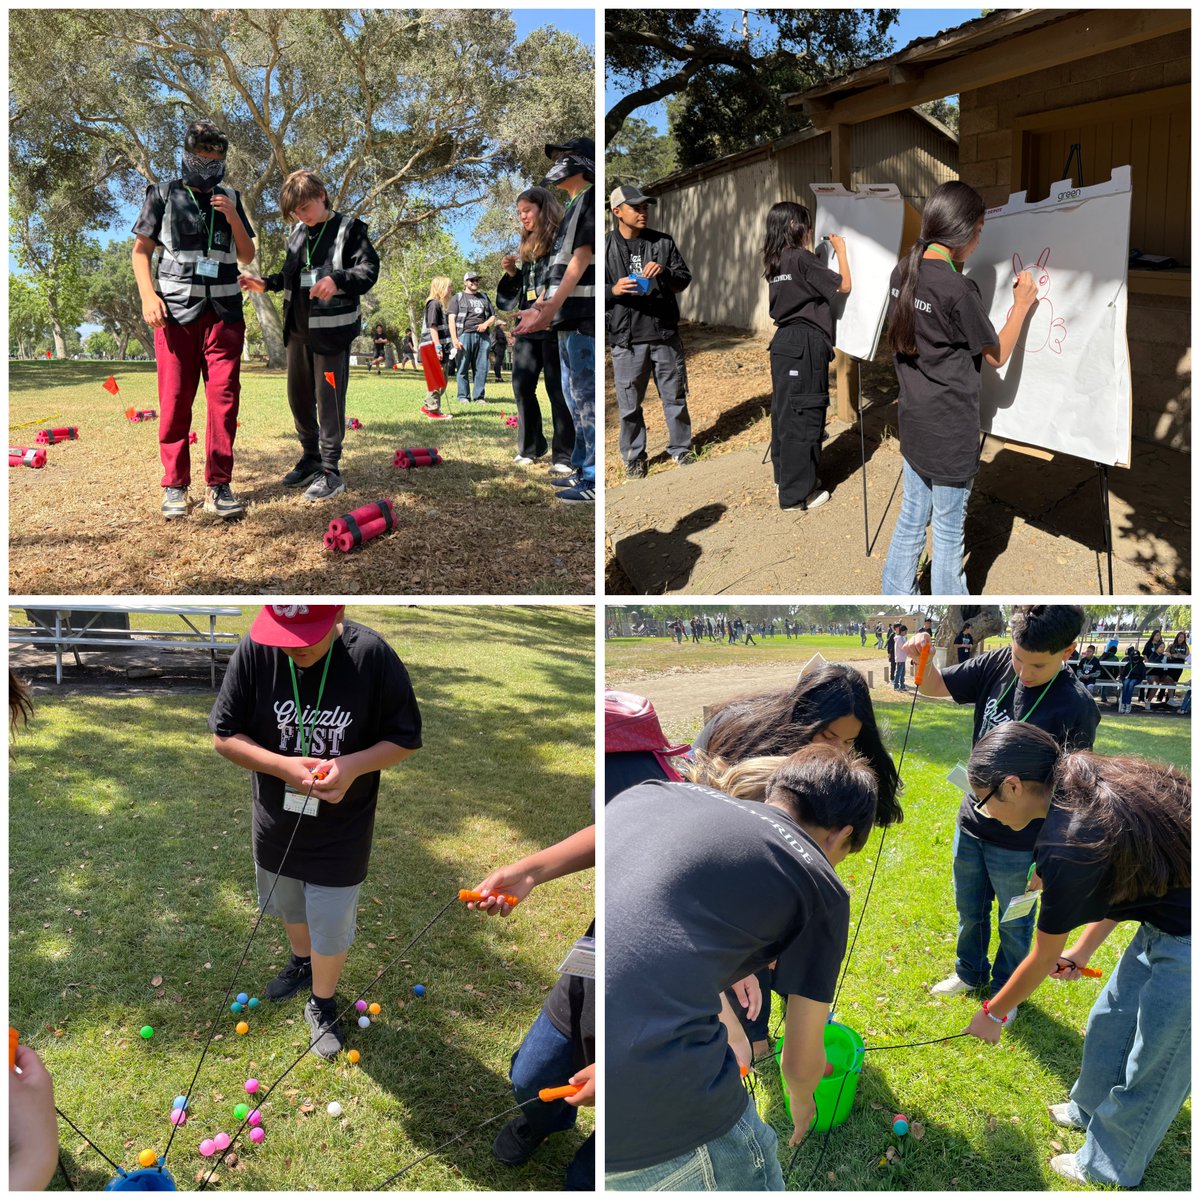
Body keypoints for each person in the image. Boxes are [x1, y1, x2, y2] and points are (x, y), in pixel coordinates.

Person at [606, 745, 881, 1189]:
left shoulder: (660, 794)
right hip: (666, 1112)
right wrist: (802, 1097)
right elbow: (799, 1054)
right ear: (839, 835)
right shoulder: (820, 883)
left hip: (585, 1034)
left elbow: (652, 936)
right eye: (843, 853)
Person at [962, 721, 1189, 1189]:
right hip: (1165, 920)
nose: (983, 814)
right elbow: (1135, 882)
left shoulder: (1069, 842)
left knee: (1159, 1061)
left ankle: (1109, 1164)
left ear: (1013, 785)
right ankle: (1089, 1107)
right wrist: (1082, 947)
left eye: (983, 800)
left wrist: (993, 1013)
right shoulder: (1073, 785)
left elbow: (1041, 958)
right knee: (1113, 1016)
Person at [209, 605, 422, 1058]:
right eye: (283, 634)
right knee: (289, 903)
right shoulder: (256, 650)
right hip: (277, 823)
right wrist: (282, 765)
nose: (291, 647)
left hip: (341, 832)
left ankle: (323, 1004)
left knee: (330, 919)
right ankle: (301, 963)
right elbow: (223, 734)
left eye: (305, 637)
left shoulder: (371, 656)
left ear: (336, 614)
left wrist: (350, 766)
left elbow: (404, 737)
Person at [690, 663, 901, 1059]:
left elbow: (816, 848)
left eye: (849, 742)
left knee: (787, 944)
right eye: (827, 736)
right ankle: (750, 1032)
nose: (836, 752)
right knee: (747, 955)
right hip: (729, 859)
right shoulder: (749, 746)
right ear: (802, 718)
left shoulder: (830, 770)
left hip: (773, 868)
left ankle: (795, 1018)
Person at [905, 604, 1099, 1004]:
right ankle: (969, 972)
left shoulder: (1076, 708)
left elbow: (1070, 794)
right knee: (969, 910)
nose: (1023, 674)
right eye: (1017, 658)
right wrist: (920, 659)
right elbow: (936, 686)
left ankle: (1007, 990)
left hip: (1021, 843)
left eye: (1037, 666)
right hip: (972, 824)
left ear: (1068, 652)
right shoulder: (998, 664)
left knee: (1015, 922)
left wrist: (1047, 860)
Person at [880, 181, 1039, 594]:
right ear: (963, 232)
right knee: (949, 535)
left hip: (914, 422)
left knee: (913, 516)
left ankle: (897, 593)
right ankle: (953, 610)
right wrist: (1021, 304)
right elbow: (996, 354)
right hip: (950, 432)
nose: (981, 240)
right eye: (981, 231)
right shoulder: (957, 291)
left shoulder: (905, 267)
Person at [132, 119, 256, 520]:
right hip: (175, 317)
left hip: (224, 316)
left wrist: (234, 215)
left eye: (216, 158)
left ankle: (219, 484)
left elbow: (246, 256)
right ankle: (175, 486)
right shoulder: (163, 194)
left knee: (224, 402)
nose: (209, 164)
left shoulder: (231, 196)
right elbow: (141, 252)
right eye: (202, 157)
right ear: (187, 156)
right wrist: (148, 295)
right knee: (175, 401)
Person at [466, 824, 595, 1190]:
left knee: (585, 1181)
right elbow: (611, 832)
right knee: (531, 1079)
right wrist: (529, 872)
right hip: (595, 969)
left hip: (650, 998)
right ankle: (544, 1123)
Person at [240, 170, 380, 501]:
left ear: (322, 195)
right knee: (299, 399)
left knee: (328, 401)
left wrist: (338, 279)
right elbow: (292, 276)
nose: (302, 216)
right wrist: (267, 283)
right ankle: (311, 458)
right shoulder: (298, 234)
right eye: (296, 212)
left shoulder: (351, 230)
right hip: (298, 333)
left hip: (332, 334)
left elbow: (367, 270)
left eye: (305, 208)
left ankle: (331, 471)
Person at [515, 138, 596, 506]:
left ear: (582, 164)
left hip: (580, 316)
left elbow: (581, 259)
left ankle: (593, 477)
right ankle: (581, 469)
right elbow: (557, 270)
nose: (558, 164)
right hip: (563, 318)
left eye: (565, 158)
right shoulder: (574, 205)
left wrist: (553, 304)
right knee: (574, 396)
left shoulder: (590, 200)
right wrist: (540, 308)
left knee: (586, 397)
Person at [762, 202, 851, 512]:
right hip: (804, 342)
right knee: (806, 414)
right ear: (794, 227)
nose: (811, 231)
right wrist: (840, 250)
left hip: (783, 342)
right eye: (807, 225)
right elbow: (844, 286)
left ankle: (784, 479)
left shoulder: (775, 260)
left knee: (786, 413)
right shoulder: (801, 258)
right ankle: (797, 495)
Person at [605, 184, 694, 478]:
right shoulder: (603, 248)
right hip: (627, 341)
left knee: (675, 398)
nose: (643, 213)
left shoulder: (663, 243)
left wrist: (666, 273)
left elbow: (683, 279)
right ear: (617, 212)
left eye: (645, 207)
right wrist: (612, 290)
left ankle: (682, 449)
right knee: (630, 405)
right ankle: (634, 457)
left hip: (664, 335)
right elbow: (588, 293)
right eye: (636, 208)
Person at [497, 185, 575, 472]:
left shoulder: (562, 238)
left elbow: (565, 279)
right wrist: (512, 273)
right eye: (519, 213)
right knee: (522, 384)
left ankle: (565, 454)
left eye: (527, 211)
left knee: (558, 388)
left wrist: (547, 305)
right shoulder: (525, 242)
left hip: (554, 320)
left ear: (544, 208)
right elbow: (517, 294)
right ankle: (531, 446)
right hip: (527, 323)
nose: (523, 217)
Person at [449, 271, 497, 404]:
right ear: (465, 282)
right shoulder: (458, 298)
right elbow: (451, 319)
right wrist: (454, 339)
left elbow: (493, 316)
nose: (475, 282)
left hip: (483, 337)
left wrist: (486, 324)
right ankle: (463, 396)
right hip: (464, 335)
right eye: (472, 280)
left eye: (477, 280)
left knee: (481, 368)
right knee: (463, 367)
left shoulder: (484, 297)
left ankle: (479, 397)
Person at [419, 276, 454, 420]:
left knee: (442, 380)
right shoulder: (433, 304)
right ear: (441, 288)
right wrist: (437, 347)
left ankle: (427, 406)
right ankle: (433, 410)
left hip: (441, 347)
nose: (451, 289)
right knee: (437, 380)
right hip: (432, 346)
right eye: (449, 287)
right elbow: (432, 326)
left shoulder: (440, 305)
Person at [1118, 643, 1146, 714]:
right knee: (1126, 684)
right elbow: (1123, 673)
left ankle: (1128, 704)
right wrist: (1122, 678)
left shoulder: (1141, 665)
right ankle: (1123, 703)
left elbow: (1142, 675)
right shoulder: (1129, 664)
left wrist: (1140, 679)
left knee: (1131, 684)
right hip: (1128, 678)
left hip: (1136, 678)